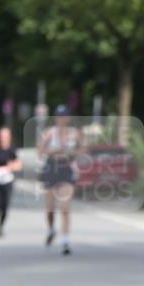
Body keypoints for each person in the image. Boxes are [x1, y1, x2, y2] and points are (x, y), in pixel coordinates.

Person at [37, 106, 83, 255]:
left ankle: (65, 241)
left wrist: (71, 153)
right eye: (58, 116)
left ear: (68, 118)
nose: (61, 119)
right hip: (51, 168)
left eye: (64, 116)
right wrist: (55, 150)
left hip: (66, 169)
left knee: (65, 208)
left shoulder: (74, 133)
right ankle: (51, 229)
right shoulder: (49, 132)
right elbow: (40, 151)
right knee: (50, 208)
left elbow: (83, 149)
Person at [0, 127, 22, 236]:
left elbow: (18, 165)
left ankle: (1, 225)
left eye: (5, 136)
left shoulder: (11, 149)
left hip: (7, 181)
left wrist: (10, 167)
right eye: (1, 136)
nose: (3, 138)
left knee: (5, 206)